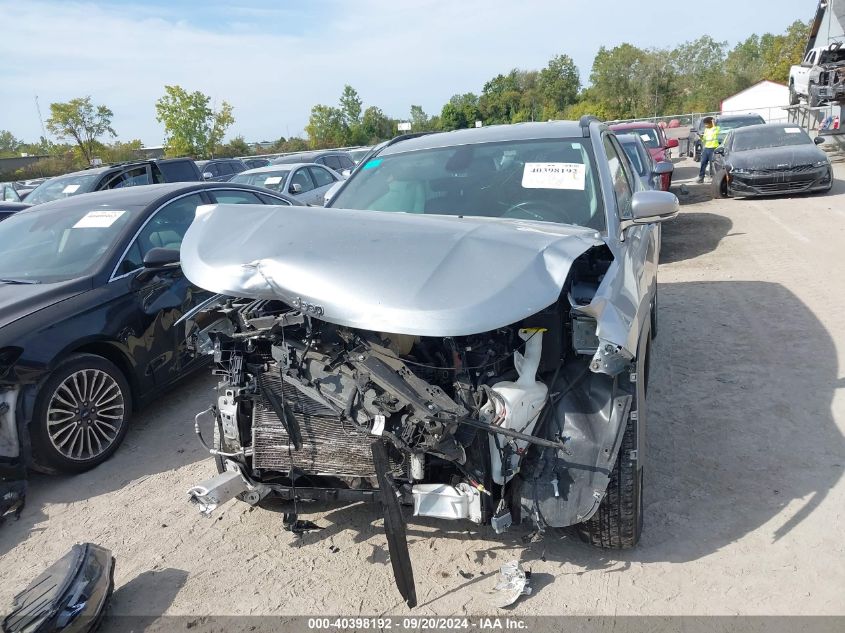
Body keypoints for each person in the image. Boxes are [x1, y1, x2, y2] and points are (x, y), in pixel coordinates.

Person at [697, 117, 720, 183]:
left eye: (707, 124)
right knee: (703, 162)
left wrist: (713, 123)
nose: (705, 125)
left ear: (711, 123)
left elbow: (716, 131)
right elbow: (704, 140)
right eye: (705, 124)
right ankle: (701, 177)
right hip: (706, 148)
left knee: (712, 164)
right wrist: (701, 137)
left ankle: (713, 177)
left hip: (713, 148)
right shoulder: (706, 130)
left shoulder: (716, 128)